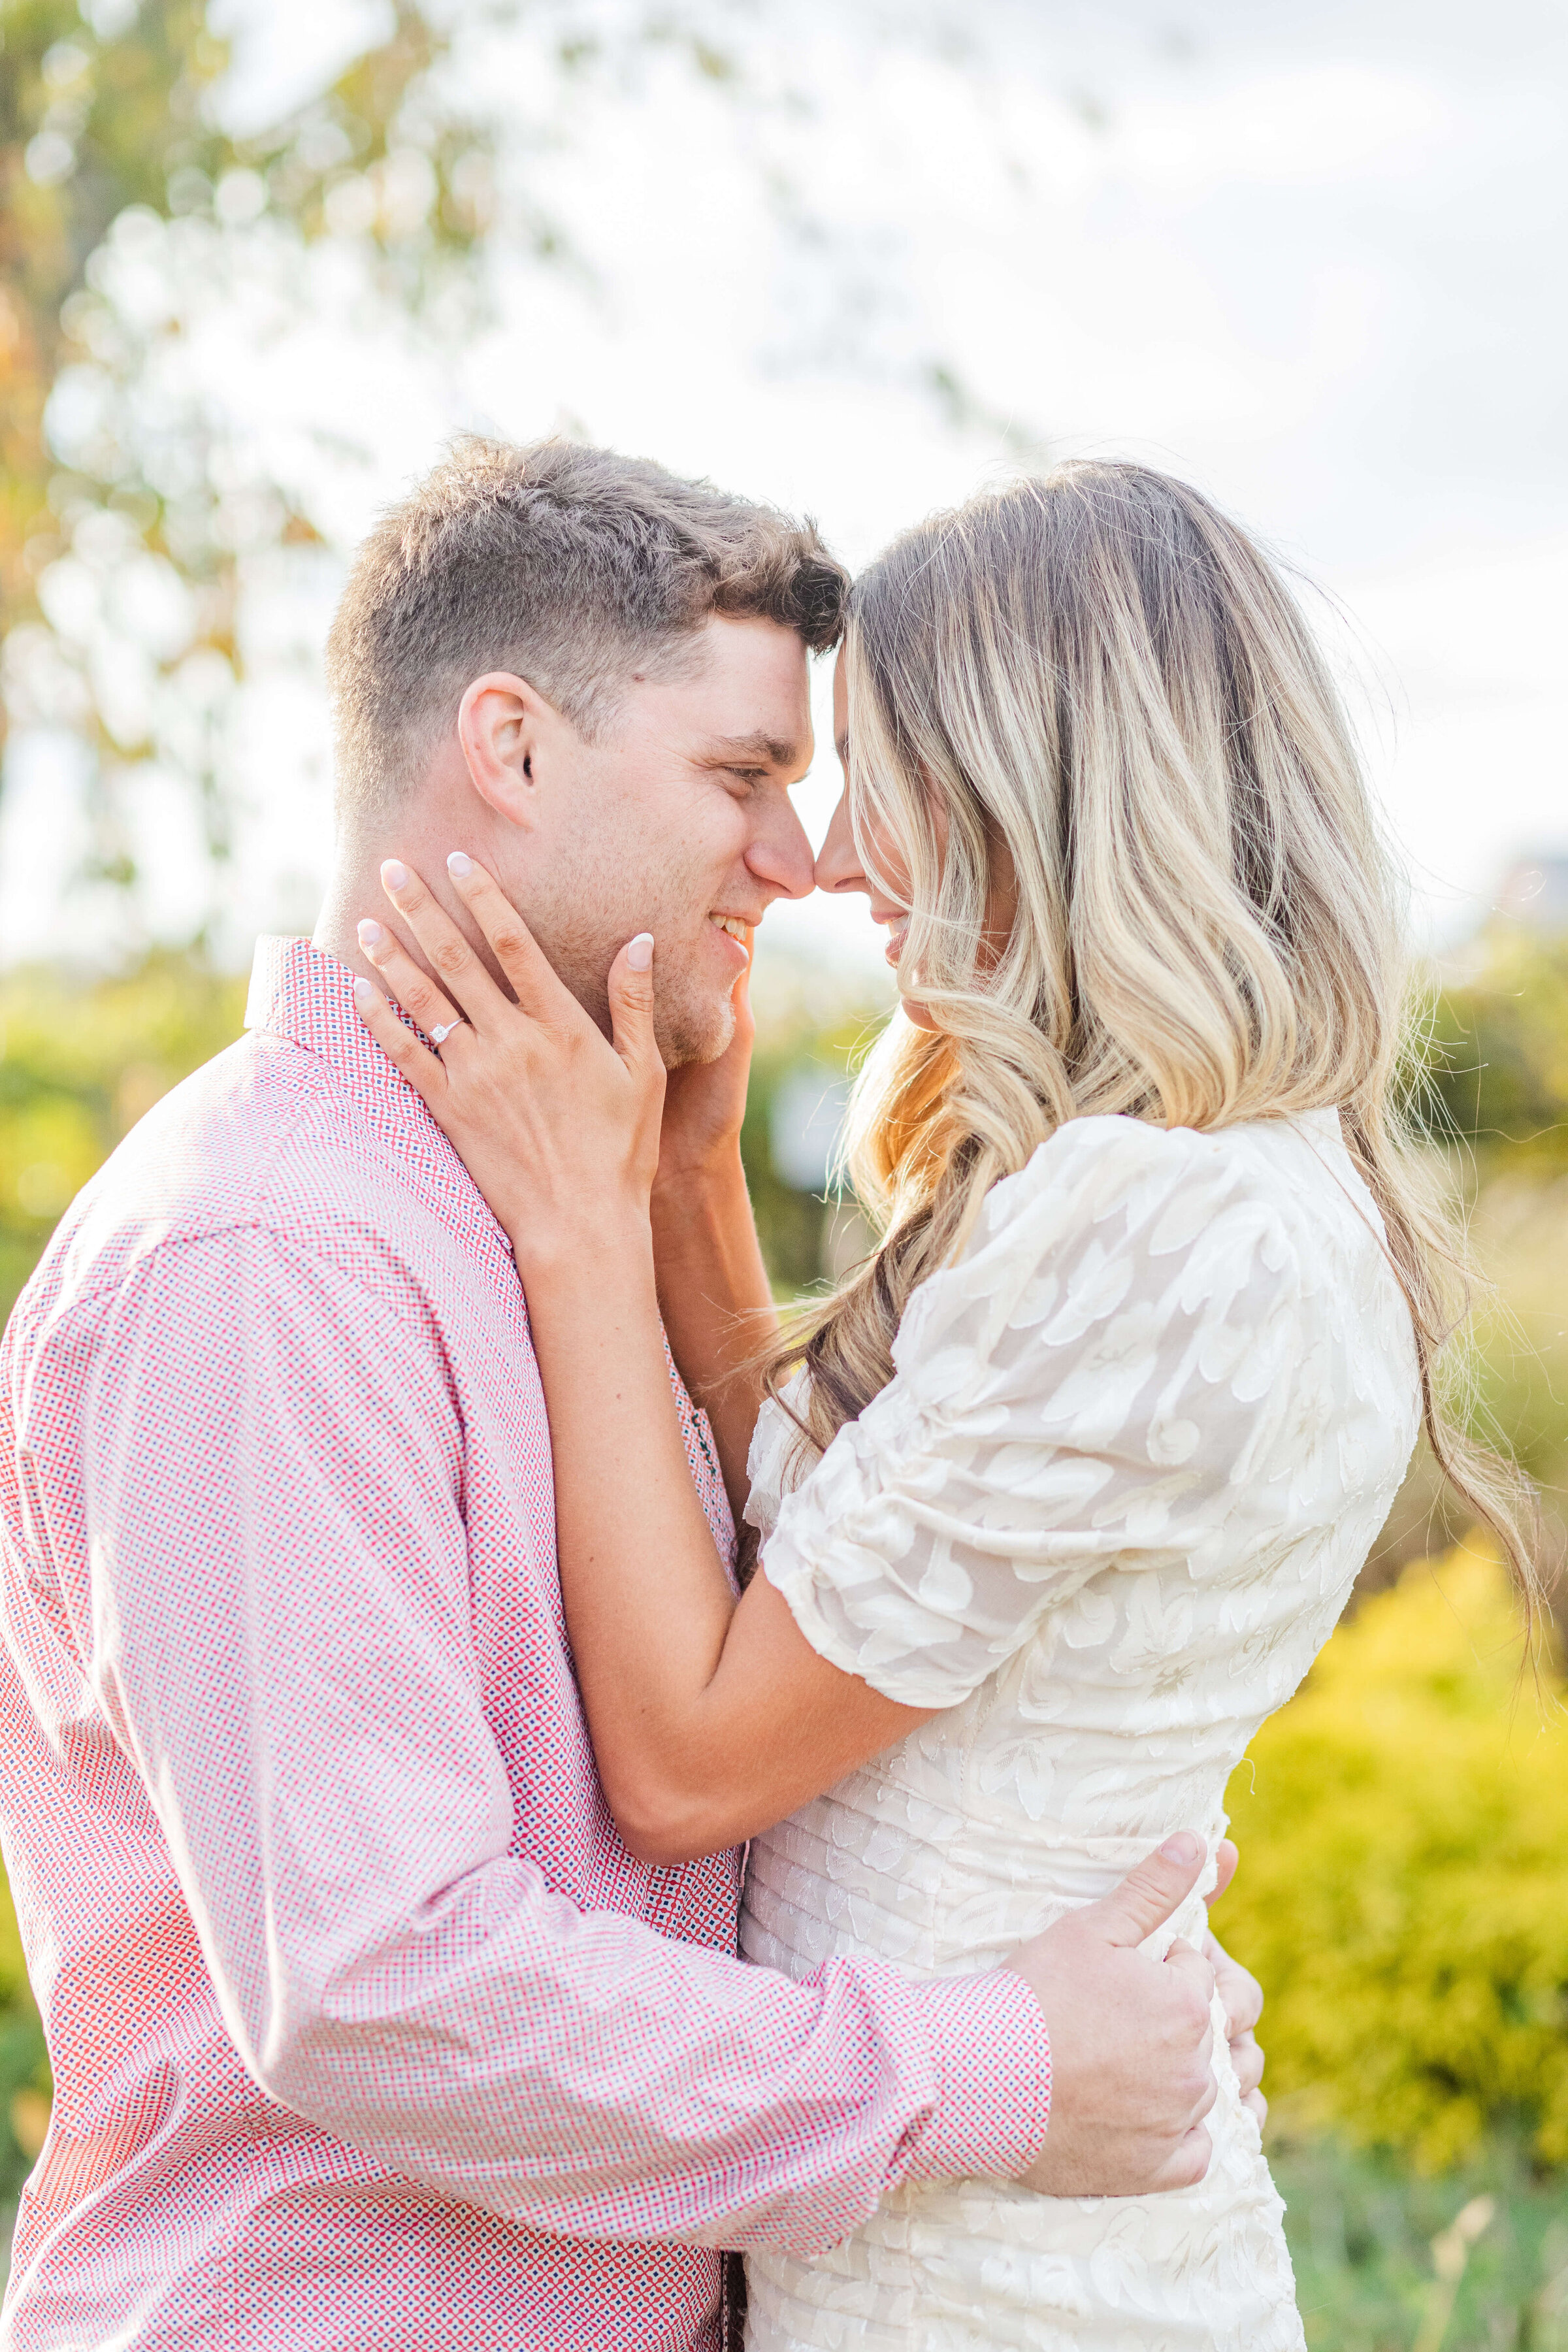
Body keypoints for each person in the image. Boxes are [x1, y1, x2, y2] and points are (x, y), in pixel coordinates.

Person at [0, 441, 1263, 2352]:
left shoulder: (536, 1199)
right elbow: (383, 1983)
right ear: (508, 749)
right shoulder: (266, 1260)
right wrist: (987, 2062)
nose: (801, 858)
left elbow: (753, 1678)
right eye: (743, 778)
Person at [348, 461, 1543, 2350]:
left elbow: (693, 1752)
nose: (821, 863)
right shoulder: (1194, 1182)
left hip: (1005, 2283)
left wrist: (576, 1226)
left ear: (1034, 782)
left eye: (873, 779)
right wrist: (685, 1172)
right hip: (954, 2228)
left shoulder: (1167, 1234)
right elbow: (812, 1576)